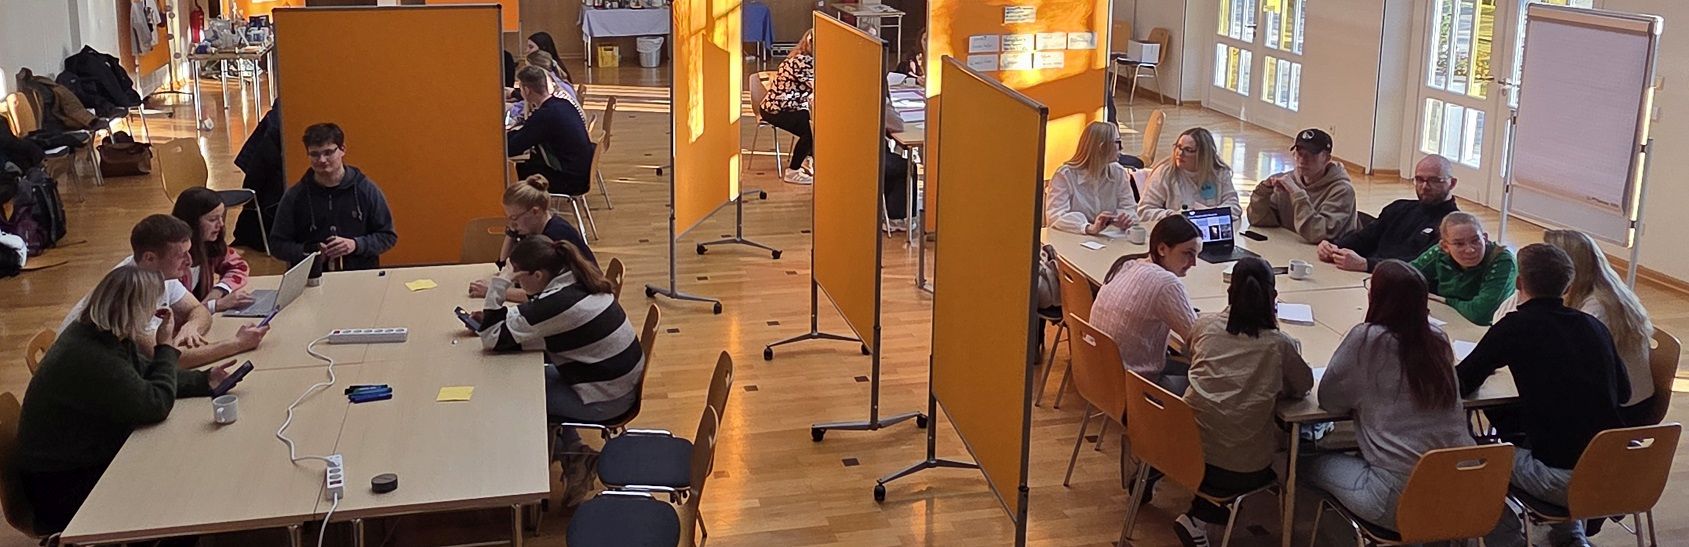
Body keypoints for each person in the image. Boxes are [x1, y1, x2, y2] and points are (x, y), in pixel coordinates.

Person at [19, 266, 237, 534]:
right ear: (131, 310)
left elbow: (141, 375)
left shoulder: (101, 334)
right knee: (179, 483)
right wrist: (166, 347)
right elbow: (155, 404)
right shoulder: (91, 356)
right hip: (64, 487)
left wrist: (204, 380)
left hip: (81, 459)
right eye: (149, 307)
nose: (152, 316)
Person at [1456, 244, 1629, 547]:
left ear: (1519, 284)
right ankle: (1570, 538)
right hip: (1617, 471)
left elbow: (1462, 383)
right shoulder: (1592, 326)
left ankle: (1510, 541)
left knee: (1477, 458)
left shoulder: (1516, 326)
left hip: (1562, 479)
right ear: (1568, 286)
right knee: (1555, 436)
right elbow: (1624, 392)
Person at [1302, 259, 1474, 533]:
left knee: (1301, 461)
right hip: (1465, 491)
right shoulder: (1438, 340)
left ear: (1375, 296)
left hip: (1396, 496)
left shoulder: (1367, 339)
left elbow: (1329, 400)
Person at [475, 236, 643, 503]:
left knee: (514, 391)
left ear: (538, 275)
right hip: (610, 381)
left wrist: (498, 286)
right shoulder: (575, 281)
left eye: (518, 277)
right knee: (525, 375)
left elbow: (491, 338)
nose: (516, 283)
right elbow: (544, 328)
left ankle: (531, 472)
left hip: (608, 399)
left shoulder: (555, 304)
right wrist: (503, 323)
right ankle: (575, 454)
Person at [1176, 256, 1312, 545]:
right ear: (1273, 297)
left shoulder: (1204, 325)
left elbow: (1191, 356)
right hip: (1240, 471)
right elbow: (1302, 388)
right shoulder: (1279, 345)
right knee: (1293, 439)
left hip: (1182, 451)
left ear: (1229, 293)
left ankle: (1200, 516)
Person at [61, 215, 269, 368]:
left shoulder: (158, 274)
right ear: (150, 258)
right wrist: (237, 344)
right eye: (181, 255)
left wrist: (191, 326)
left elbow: (199, 310)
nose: (189, 261)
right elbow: (166, 360)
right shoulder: (130, 293)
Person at [1543, 229, 1655, 425]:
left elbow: (1570, 361)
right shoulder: (1605, 290)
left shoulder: (1597, 307)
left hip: (1624, 409)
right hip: (1624, 396)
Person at [1090, 215, 1202, 393]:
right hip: (1135, 386)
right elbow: (1198, 339)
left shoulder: (1127, 263)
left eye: (1196, 255)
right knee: (1216, 384)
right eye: (1188, 254)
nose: (1194, 263)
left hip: (1100, 373)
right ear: (1162, 249)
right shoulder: (1166, 283)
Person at [269, 123, 398, 271]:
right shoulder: (295, 196)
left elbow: (388, 236)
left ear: (342, 150)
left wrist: (356, 245)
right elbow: (277, 245)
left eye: (328, 152)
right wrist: (309, 252)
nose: (322, 160)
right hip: (312, 277)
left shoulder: (367, 190)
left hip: (359, 276)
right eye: (315, 154)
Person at [1319, 155, 1459, 272]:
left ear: (1452, 183)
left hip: (1398, 284)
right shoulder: (1399, 208)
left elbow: (1419, 266)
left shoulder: (1453, 227)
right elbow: (1365, 237)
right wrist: (1334, 246)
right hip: (1365, 276)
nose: (1424, 186)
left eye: (1434, 180)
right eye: (1419, 179)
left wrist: (1366, 264)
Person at [468, 175, 597, 302]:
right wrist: (512, 233)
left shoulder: (552, 238)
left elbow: (539, 295)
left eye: (514, 218)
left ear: (535, 212)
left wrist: (494, 290)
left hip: (583, 297)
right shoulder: (533, 229)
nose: (512, 224)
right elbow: (504, 264)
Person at [1246, 128, 1358, 243]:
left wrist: (1297, 194)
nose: (1302, 160)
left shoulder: (1342, 191)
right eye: (1299, 153)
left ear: (1326, 158)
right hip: (1290, 249)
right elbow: (1258, 220)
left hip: (1325, 257)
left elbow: (1317, 234)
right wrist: (1264, 190)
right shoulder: (1286, 180)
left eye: (1311, 155)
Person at [1409, 212, 1515, 325]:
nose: (1470, 250)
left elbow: (1482, 314)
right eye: (1459, 244)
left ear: (1485, 238)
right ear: (1445, 246)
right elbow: (1403, 277)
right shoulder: (1439, 253)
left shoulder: (1502, 259)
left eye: (1476, 241)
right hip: (1450, 318)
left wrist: (1447, 301)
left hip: (1487, 328)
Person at [508, 66, 597, 197]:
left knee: (514, 171)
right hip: (581, 171)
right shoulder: (563, 104)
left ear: (526, 90)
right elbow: (527, 133)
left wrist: (503, 135)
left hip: (570, 180)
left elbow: (512, 148)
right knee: (529, 163)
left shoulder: (545, 116)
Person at [1046, 121, 1137, 235]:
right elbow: (1055, 216)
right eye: (1117, 142)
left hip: (1109, 238)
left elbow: (1130, 207)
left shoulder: (1118, 172)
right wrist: (1088, 228)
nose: (1122, 147)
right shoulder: (1065, 175)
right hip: (1073, 240)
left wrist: (1122, 219)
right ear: (1102, 147)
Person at [171, 187, 253, 314]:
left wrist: (219, 290)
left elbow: (239, 266)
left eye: (221, 217)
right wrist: (216, 305)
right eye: (212, 219)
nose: (221, 224)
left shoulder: (210, 245)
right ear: (192, 222)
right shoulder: (169, 264)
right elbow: (176, 316)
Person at [1137, 127, 1240, 225]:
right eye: (1178, 147)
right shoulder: (1165, 173)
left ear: (1204, 155)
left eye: (1188, 150)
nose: (1180, 153)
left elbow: (1234, 206)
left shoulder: (1219, 172)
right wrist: (1175, 216)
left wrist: (1209, 213)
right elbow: (1144, 211)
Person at [761, 30, 816, 184]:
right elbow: (818, 86)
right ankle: (793, 171)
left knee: (811, 123)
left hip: (789, 106)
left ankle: (807, 158)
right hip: (776, 110)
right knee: (810, 134)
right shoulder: (803, 61)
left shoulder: (800, 57)